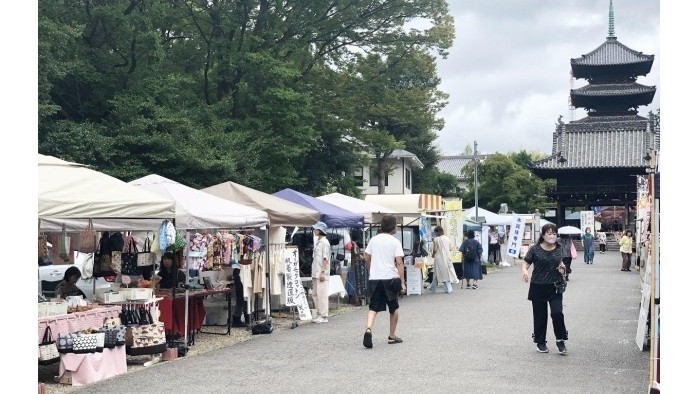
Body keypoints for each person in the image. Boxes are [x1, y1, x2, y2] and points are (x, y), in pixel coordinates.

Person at [521, 223, 569, 354]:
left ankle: (560, 340)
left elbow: (562, 263)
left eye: (554, 233)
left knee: (557, 313)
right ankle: (540, 342)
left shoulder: (560, 248)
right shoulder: (535, 249)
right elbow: (525, 263)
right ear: (543, 235)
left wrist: (562, 269)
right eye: (549, 233)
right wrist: (525, 271)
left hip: (555, 286)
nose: (552, 236)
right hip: (538, 286)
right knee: (540, 316)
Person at [362, 215, 405, 349]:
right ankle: (392, 336)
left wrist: (371, 270)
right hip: (390, 278)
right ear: (393, 227)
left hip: (375, 278)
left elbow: (366, 258)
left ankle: (368, 329)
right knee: (394, 308)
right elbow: (399, 263)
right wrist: (402, 282)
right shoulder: (395, 242)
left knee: (373, 307)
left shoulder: (373, 240)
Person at [311, 221, 331, 323]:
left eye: (316, 229)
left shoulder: (324, 242)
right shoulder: (319, 241)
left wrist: (323, 271)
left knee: (322, 294)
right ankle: (319, 314)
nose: (314, 230)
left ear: (320, 231)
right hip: (316, 271)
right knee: (315, 294)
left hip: (321, 272)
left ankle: (324, 315)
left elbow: (325, 258)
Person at [428, 226, 458, 294]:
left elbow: (435, 249)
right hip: (447, 257)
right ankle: (433, 287)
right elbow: (450, 248)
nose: (435, 233)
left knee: (438, 273)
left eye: (435, 232)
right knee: (445, 272)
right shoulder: (447, 238)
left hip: (439, 258)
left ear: (437, 232)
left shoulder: (436, 239)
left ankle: (446, 288)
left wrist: (433, 255)